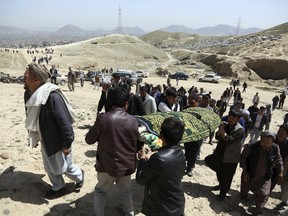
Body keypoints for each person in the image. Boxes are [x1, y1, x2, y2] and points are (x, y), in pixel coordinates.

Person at [24, 63, 84, 199]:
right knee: (49, 167)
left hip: (58, 141)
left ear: (37, 80)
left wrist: (67, 144)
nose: (24, 79)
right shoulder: (31, 95)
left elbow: (65, 124)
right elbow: (30, 116)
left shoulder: (52, 97)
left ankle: (80, 177)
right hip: (45, 137)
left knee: (66, 168)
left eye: (26, 77)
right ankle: (58, 187)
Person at [85, 87, 140, 216]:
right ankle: (129, 212)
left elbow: (89, 140)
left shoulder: (103, 118)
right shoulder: (134, 121)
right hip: (126, 165)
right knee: (126, 191)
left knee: (100, 191)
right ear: (126, 104)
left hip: (106, 165)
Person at [136, 117, 186, 216]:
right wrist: (154, 156)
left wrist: (142, 159)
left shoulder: (159, 158)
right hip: (177, 204)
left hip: (162, 209)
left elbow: (141, 179)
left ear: (160, 134)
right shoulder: (180, 153)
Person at [205, 108, 245, 201]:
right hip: (220, 153)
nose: (230, 119)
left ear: (238, 119)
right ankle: (221, 184)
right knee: (214, 166)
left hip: (230, 158)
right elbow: (217, 136)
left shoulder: (240, 130)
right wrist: (220, 129)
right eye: (230, 116)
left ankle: (223, 193)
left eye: (233, 117)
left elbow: (229, 139)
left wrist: (222, 130)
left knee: (227, 176)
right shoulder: (226, 125)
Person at [240, 131, 283, 215]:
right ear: (260, 139)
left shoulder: (275, 148)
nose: (265, 144)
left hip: (265, 176)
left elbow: (279, 160)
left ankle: (258, 209)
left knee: (264, 194)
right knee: (245, 188)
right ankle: (243, 196)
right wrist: (245, 171)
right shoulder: (251, 146)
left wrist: (281, 171)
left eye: (268, 143)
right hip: (250, 173)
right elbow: (243, 158)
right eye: (263, 141)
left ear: (272, 142)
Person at [183, 92, 204, 177]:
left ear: (197, 101)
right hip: (188, 134)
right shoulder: (185, 109)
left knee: (194, 153)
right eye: (189, 101)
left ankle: (190, 168)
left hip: (198, 135)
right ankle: (189, 163)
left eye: (192, 101)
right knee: (187, 152)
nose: (190, 103)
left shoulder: (201, 111)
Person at [271, 124, 288, 191]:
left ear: (287, 135)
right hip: (266, 164)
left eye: (282, 133)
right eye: (278, 132)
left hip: (278, 167)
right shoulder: (272, 139)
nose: (279, 134)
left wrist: (283, 172)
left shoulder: (287, 144)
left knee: (272, 182)